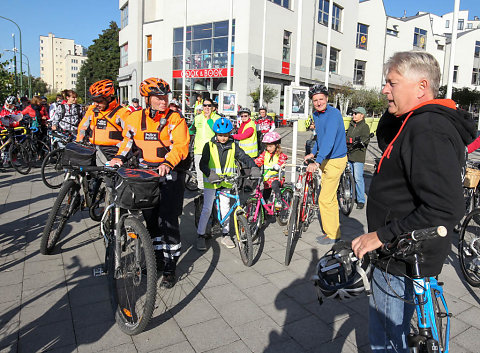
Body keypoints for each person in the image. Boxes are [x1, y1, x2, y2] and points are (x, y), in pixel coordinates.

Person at [351, 51, 476, 353]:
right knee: (396, 332)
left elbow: (445, 207)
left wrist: (380, 236)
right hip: (403, 251)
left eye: (392, 83)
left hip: (401, 253)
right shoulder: (416, 121)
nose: (384, 90)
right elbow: (385, 139)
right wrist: (396, 107)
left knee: (387, 340)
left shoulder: (428, 128)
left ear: (421, 87)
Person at [108, 77, 190, 289]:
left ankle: (170, 267)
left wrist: (167, 163)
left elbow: (181, 146)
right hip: (145, 174)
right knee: (151, 219)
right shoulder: (135, 118)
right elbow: (127, 141)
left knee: (168, 221)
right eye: (158, 97)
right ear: (147, 99)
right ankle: (157, 259)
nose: (164, 101)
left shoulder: (175, 119)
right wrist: (119, 157)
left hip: (169, 173)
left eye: (166, 96)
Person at [196, 117, 260, 250]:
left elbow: (244, 157)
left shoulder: (233, 146)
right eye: (220, 135)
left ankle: (225, 235)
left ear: (229, 134)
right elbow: (202, 163)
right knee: (207, 208)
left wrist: (253, 167)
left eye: (226, 135)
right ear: (215, 134)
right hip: (211, 181)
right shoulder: (209, 145)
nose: (223, 138)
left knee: (225, 207)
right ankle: (200, 235)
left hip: (227, 181)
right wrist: (210, 174)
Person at [304, 84, 347, 244]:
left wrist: (318, 161)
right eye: (315, 100)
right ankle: (333, 231)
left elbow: (329, 140)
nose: (318, 102)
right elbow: (320, 138)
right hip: (326, 159)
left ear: (327, 99)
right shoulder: (316, 115)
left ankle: (333, 235)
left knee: (325, 199)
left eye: (321, 99)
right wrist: (313, 153)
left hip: (335, 160)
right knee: (330, 198)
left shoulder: (334, 114)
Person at [76, 79, 131, 165]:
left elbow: (129, 137)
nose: (96, 104)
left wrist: (119, 156)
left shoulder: (122, 113)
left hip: (112, 152)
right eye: (94, 100)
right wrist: (78, 144)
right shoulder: (92, 109)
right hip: (93, 149)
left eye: (99, 101)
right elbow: (82, 127)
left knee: (106, 177)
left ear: (108, 98)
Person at [254, 131, 288, 209]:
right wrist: (252, 164)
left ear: (276, 146)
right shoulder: (265, 154)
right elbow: (259, 161)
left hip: (277, 178)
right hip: (267, 179)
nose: (268, 148)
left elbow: (282, 161)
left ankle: (279, 200)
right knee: (265, 196)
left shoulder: (280, 155)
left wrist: (279, 165)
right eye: (267, 146)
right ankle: (264, 214)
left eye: (270, 146)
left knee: (274, 185)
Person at [191, 97, 220, 190]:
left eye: (209, 105)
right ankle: (202, 195)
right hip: (199, 149)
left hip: (212, 149)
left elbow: (218, 131)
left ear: (213, 107)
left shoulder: (217, 118)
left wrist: (209, 119)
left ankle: (213, 195)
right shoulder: (197, 117)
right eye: (205, 105)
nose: (207, 107)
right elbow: (191, 130)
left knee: (212, 173)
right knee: (200, 175)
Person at [345, 107, 370, 209]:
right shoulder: (351, 125)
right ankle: (351, 196)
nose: (353, 115)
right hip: (349, 154)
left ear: (362, 115)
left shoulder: (364, 127)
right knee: (350, 177)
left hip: (358, 156)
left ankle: (360, 200)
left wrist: (357, 141)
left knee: (358, 178)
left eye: (356, 113)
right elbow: (347, 137)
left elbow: (365, 140)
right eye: (353, 113)